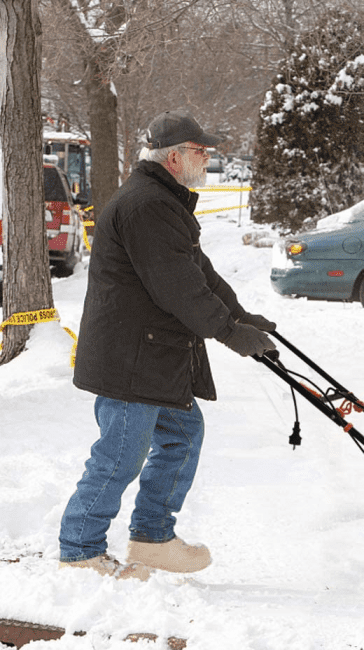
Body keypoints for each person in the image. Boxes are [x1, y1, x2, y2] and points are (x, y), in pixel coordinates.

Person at [58, 110, 276, 581]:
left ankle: (152, 538)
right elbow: (178, 288)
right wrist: (232, 335)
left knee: (182, 435)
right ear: (174, 157)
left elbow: (201, 273)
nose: (207, 158)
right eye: (201, 151)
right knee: (120, 455)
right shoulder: (147, 206)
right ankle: (79, 550)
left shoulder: (163, 201)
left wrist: (241, 318)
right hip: (130, 359)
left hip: (153, 356)